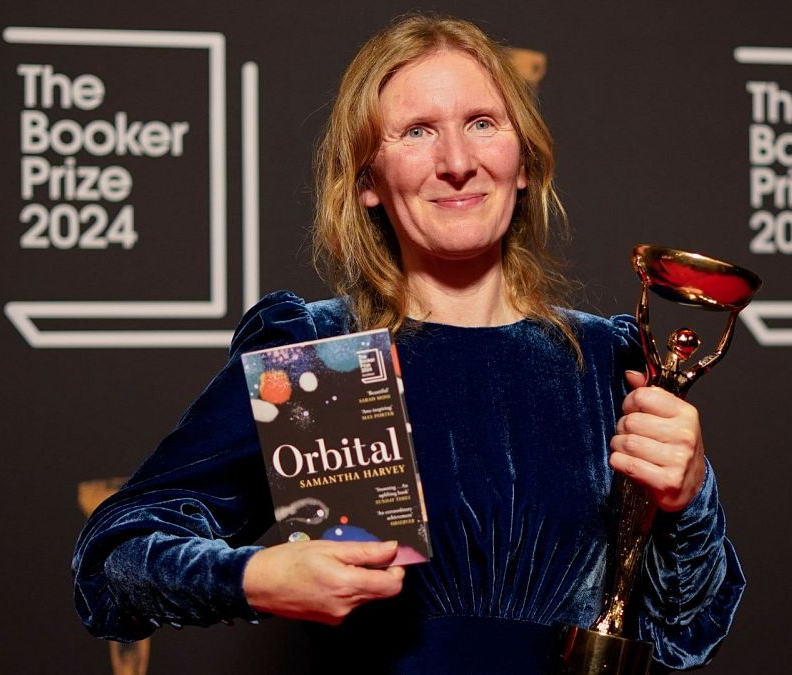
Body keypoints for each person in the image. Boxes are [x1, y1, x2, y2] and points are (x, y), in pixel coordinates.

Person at [73, 14, 744, 674]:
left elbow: (686, 632)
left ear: (524, 163)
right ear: (367, 182)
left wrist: (690, 499)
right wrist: (252, 575)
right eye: (418, 132)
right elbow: (111, 564)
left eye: (482, 123)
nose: (458, 162)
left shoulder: (608, 362)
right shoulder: (323, 354)